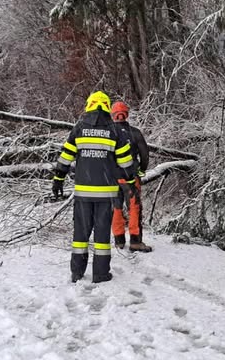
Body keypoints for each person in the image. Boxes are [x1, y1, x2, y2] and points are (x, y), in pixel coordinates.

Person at [52, 91, 134, 283]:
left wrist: (58, 178)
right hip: (106, 194)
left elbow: (66, 156)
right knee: (102, 235)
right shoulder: (114, 131)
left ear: (89, 105)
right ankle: (100, 273)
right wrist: (131, 182)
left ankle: (77, 272)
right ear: (106, 107)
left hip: (83, 193)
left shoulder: (79, 128)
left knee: (80, 234)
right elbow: (126, 162)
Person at [109, 101, 152, 252]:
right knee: (134, 208)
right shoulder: (134, 132)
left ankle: (119, 240)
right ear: (126, 114)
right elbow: (145, 154)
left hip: (112, 178)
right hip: (131, 177)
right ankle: (135, 241)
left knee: (116, 208)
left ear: (112, 114)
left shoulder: (108, 132)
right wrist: (142, 170)